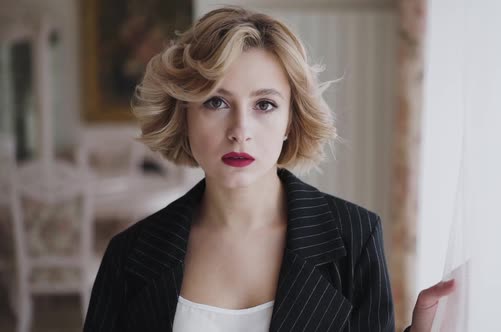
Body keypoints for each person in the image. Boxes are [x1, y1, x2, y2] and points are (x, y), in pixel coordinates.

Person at [83, 6, 455, 332]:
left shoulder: (355, 238)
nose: (240, 131)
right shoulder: (129, 255)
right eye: (216, 102)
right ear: (184, 117)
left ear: (291, 120)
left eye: (264, 105)